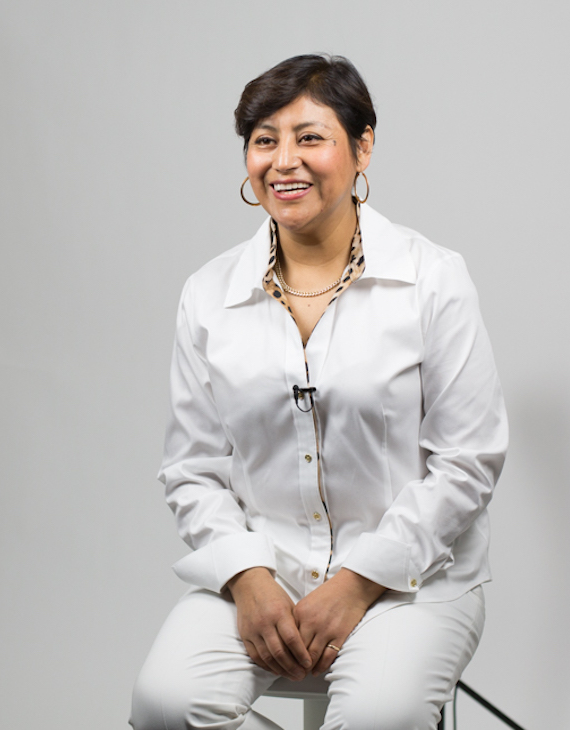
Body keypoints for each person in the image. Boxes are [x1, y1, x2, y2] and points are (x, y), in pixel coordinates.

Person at [129, 54, 507, 730]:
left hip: (411, 582)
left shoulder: (434, 279)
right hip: (265, 572)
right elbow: (191, 468)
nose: (284, 160)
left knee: (376, 719)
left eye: (310, 137)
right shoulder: (209, 293)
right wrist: (247, 578)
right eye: (264, 139)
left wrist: (359, 581)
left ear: (362, 146)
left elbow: (468, 461)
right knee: (166, 704)